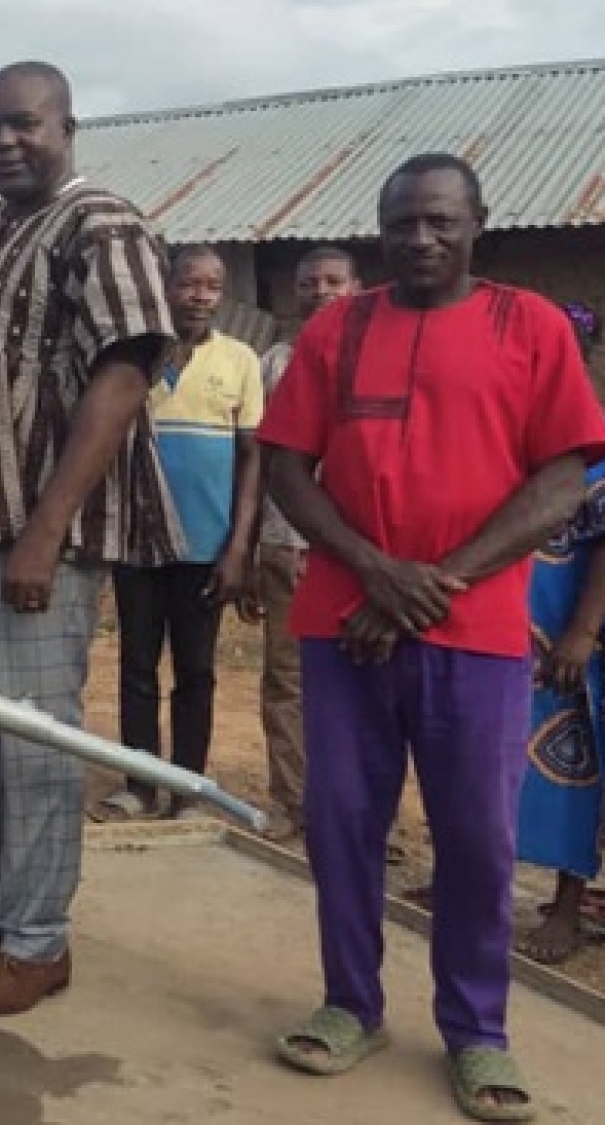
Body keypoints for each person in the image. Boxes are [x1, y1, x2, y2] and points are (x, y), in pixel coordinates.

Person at [258, 153, 605, 1122]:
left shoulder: (529, 328)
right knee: (338, 825)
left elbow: (559, 480)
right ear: (378, 228)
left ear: (476, 224)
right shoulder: (336, 327)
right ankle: (347, 1005)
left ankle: (475, 1031)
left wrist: (430, 579)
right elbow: (287, 468)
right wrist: (372, 570)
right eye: (400, 223)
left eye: (439, 222)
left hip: (476, 630)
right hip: (343, 626)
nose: (418, 239)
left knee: (476, 839)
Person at [0, 61, 181, 1018]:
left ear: (67, 126)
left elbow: (125, 376)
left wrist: (44, 529)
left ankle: (39, 943)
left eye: (23, 124)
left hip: (40, 541)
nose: (4, 142)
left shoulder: (104, 224)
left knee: (41, 739)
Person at [91, 245, 262, 822]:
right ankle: (139, 784)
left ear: (222, 295)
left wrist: (239, 547)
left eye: (211, 286)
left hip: (206, 549)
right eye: (189, 283)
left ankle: (187, 787)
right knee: (137, 666)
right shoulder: (136, 361)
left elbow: (251, 461)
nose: (199, 295)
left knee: (196, 671)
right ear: (166, 288)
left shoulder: (240, 361)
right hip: (139, 541)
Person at [254, 245, 362, 843]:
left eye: (333, 281)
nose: (320, 291)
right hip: (283, 541)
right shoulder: (274, 362)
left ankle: (357, 813)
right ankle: (293, 803)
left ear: (357, 286)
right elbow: (269, 461)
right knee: (289, 680)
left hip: (362, 557)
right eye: (308, 282)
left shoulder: (381, 356)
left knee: (363, 687)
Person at [514, 300, 605, 967]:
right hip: (507, 627)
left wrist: (580, 632)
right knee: (477, 755)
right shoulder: (509, 428)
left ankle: (568, 904)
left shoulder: (592, 438)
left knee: (572, 767)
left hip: (569, 634)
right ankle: (467, 876)